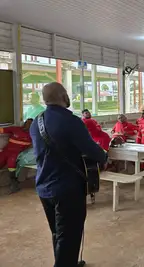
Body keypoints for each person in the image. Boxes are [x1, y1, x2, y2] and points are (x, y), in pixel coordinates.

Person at [30, 82, 107, 267]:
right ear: (64, 96)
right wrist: (103, 155)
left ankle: (68, 262)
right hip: (67, 188)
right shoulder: (71, 121)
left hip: (44, 187)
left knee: (58, 232)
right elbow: (92, 151)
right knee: (70, 235)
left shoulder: (36, 122)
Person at [0, 119, 33, 193]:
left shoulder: (32, 135)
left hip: (16, 154)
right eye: (26, 122)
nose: (27, 124)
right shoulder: (15, 129)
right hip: (6, 151)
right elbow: (2, 130)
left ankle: (14, 184)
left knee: (11, 163)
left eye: (30, 124)